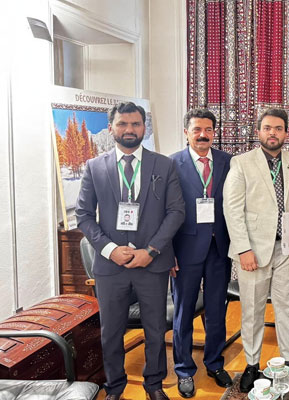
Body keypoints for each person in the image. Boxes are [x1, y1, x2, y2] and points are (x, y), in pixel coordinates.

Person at [76, 102, 185, 400]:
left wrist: (151, 250)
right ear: (111, 127)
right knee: (111, 332)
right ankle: (115, 387)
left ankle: (154, 384)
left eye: (136, 124)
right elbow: (83, 215)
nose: (129, 130)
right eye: (122, 124)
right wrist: (110, 249)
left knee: (154, 330)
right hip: (111, 267)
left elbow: (176, 212)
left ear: (144, 128)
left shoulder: (164, 165)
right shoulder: (94, 167)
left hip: (152, 264)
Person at [222, 108, 289, 393]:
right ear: (259, 131)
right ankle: (252, 364)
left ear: (286, 133)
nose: (272, 132)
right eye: (267, 128)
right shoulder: (241, 163)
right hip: (253, 251)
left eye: (278, 128)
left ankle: (288, 361)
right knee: (252, 310)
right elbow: (232, 209)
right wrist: (243, 250)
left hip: (288, 248)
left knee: (288, 308)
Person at [169, 109, 233, 398]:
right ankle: (184, 369)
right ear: (187, 132)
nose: (203, 134)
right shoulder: (171, 164)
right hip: (184, 251)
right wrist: (167, 252)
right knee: (183, 312)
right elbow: (164, 212)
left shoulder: (227, 162)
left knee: (217, 309)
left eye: (208, 129)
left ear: (214, 131)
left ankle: (214, 362)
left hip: (219, 248)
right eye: (197, 129)